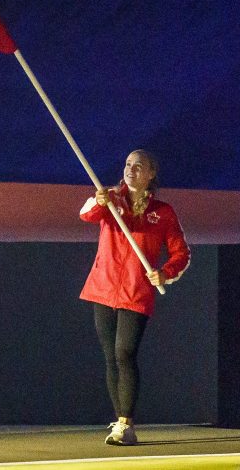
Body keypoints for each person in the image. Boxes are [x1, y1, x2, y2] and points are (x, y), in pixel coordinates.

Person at [79, 149, 190, 446]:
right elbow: (87, 214)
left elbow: (182, 254)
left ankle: (127, 424)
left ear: (151, 173)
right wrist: (99, 199)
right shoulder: (111, 199)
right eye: (128, 164)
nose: (131, 169)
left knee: (124, 353)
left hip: (135, 291)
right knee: (110, 358)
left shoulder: (163, 212)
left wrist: (165, 273)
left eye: (139, 166)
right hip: (103, 288)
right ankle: (120, 420)